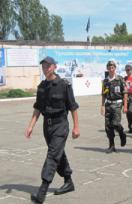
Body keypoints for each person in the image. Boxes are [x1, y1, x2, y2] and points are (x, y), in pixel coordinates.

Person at [25, 56, 80, 203]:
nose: (45, 68)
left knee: (52, 155)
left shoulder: (64, 85)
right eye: (43, 66)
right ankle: (68, 181)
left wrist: (76, 127)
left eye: (48, 66)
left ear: (54, 67)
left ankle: (42, 191)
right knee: (58, 154)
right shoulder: (42, 87)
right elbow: (38, 108)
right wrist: (31, 125)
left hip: (60, 124)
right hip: (47, 126)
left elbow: (73, 107)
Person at [101, 61, 128, 153]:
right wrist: (102, 106)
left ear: (115, 68)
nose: (111, 69)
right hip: (108, 104)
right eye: (109, 67)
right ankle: (111, 145)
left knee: (116, 123)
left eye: (112, 67)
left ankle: (122, 134)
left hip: (117, 104)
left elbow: (125, 93)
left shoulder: (120, 79)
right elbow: (103, 95)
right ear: (107, 68)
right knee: (108, 126)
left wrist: (125, 106)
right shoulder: (105, 81)